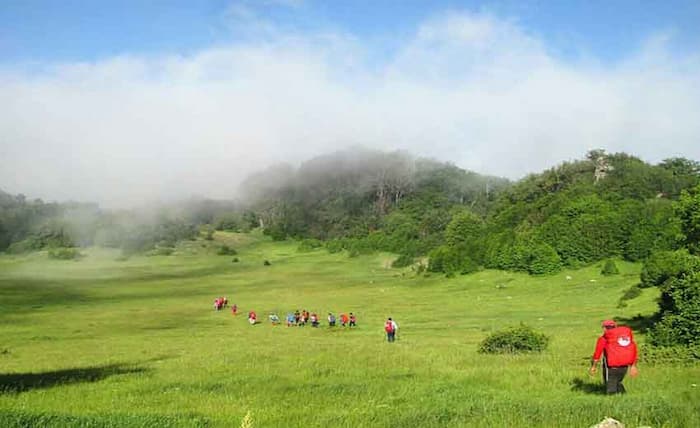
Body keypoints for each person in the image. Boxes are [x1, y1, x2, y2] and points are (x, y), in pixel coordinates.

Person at [589, 320, 638, 394]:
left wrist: (593, 366)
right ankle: (623, 398)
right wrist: (633, 366)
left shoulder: (603, 338)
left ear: (605, 328)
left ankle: (612, 401)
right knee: (618, 382)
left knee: (610, 385)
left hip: (611, 367)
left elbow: (597, 354)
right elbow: (633, 350)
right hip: (624, 366)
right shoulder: (625, 338)